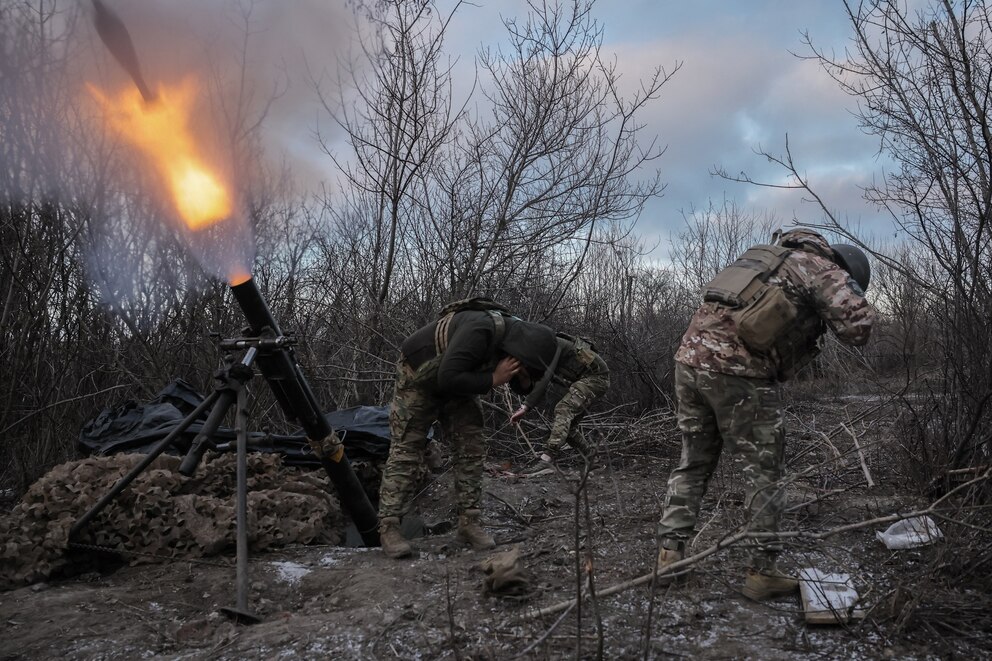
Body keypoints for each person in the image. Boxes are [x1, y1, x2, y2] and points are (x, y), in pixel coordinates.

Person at [656, 228, 875, 600]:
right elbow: (858, 330)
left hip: (688, 364)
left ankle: (669, 557)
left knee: (693, 464)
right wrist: (846, 295)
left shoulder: (761, 258)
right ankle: (762, 572)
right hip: (738, 374)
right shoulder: (822, 267)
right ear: (846, 268)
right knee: (765, 474)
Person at [378, 306, 558, 558]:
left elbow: (520, 384)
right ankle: (389, 527)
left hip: (456, 379)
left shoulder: (515, 340)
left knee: (471, 445)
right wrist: (493, 378)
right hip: (418, 375)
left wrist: (522, 378)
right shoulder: (482, 330)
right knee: (408, 447)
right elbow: (448, 376)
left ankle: (469, 523)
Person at [509, 332, 610, 458]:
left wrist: (525, 407)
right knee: (569, 428)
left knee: (563, 409)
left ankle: (548, 457)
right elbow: (542, 383)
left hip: (597, 378)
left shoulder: (553, 345)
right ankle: (593, 460)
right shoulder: (543, 354)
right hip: (587, 380)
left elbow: (545, 378)